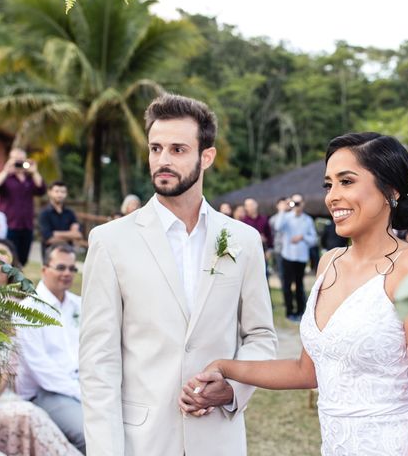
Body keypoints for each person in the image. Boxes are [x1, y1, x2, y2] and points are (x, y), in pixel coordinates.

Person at [183, 132, 408, 455]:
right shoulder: (328, 263)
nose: (332, 196)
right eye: (329, 185)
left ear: (390, 191)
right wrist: (226, 366)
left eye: (346, 181)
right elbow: (306, 371)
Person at [79, 94, 277, 456]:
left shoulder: (243, 241)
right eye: (156, 148)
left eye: (177, 149)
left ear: (207, 157)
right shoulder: (109, 241)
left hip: (218, 438)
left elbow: (261, 334)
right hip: (142, 441)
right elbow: (98, 362)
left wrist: (232, 387)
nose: (163, 160)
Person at [0, 239, 82, 456]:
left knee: (27, 416)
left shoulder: (15, 308)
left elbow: (5, 370)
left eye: (2, 260)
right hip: (37, 391)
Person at [15, 243, 85, 454]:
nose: (67, 273)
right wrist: (81, 392)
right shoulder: (27, 310)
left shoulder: (79, 304)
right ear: (45, 269)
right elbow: (41, 369)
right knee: (90, 433)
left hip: (83, 384)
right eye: (61, 267)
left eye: (72, 269)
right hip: (45, 392)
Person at [0, 148, 46, 266]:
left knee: (23, 259)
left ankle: (19, 280)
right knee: (8, 255)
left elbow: (41, 189)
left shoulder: (30, 179)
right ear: (10, 159)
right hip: (9, 224)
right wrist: (6, 170)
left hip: (26, 224)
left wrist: (34, 172)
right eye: (15, 159)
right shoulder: (6, 178)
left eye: (21, 160)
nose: (19, 162)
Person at [273, 194, 317, 321]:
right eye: (294, 202)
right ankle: (289, 311)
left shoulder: (308, 220)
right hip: (287, 256)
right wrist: (282, 209)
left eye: (299, 202)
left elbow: (313, 239)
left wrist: (302, 237)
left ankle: (300, 311)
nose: (297, 205)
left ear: (303, 203)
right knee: (287, 285)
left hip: (301, 257)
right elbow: (277, 227)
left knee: (299, 285)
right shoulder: (285, 217)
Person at [38, 182, 84, 260]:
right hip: (50, 253)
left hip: (68, 252)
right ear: (50, 192)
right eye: (57, 191)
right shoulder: (44, 213)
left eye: (63, 192)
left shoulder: (70, 213)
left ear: (66, 194)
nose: (60, 194)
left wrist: (55, 233)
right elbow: (48, 239)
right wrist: (71, 236)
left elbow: (78, 235)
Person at [269, 197, 288, 287]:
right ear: (277, 206)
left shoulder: (292, 216)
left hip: (291, 250)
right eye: (282, 203)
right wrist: (282, 212)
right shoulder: (273, 219)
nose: (285, 205)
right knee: (282, 274)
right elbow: (277, 227)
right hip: (279, 250)